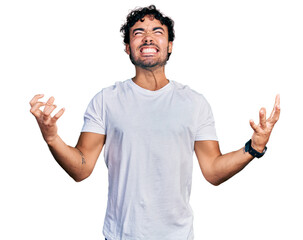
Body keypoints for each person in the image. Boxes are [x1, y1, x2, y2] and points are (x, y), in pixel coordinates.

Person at [29, 5, 280, 240]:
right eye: (138, 33)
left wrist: (253, 148)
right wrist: (52, 138)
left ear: (169, 46)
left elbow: (213, 170)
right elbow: (81, 169)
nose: (148, 37)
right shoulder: (106, 100)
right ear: (128, 47)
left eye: (157, 32)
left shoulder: (194, 103)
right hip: (121, 235)